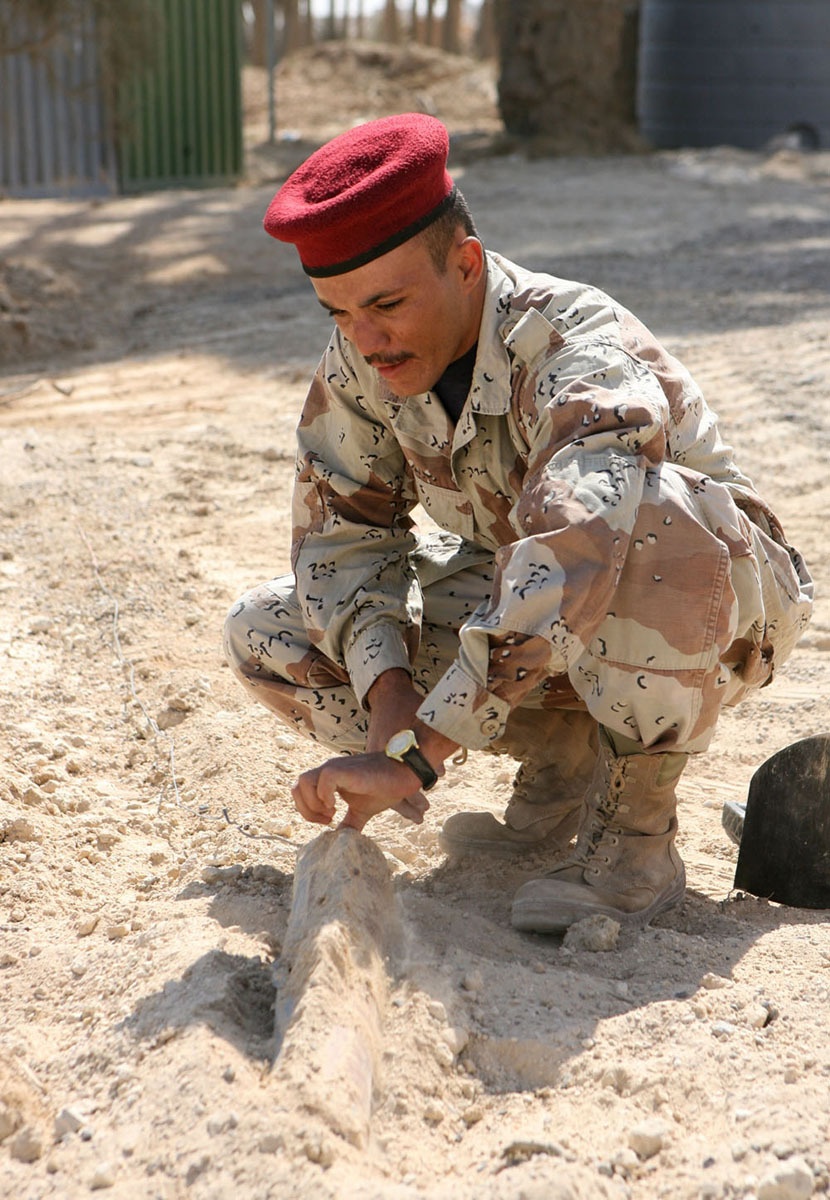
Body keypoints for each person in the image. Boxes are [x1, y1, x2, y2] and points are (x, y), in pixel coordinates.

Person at [224, 113, 813, 933]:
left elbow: (574, 548)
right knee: (269, 627)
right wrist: (391, 706)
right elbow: (343, 541)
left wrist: (425, 752)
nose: (365, 340)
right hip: (546, 610)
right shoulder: (364, 361)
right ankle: (561, 759)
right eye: (337, 313)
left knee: (639, 524)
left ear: (465, 265)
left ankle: (636, 839)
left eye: (387, 304)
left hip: (714, 599)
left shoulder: (576, 346)